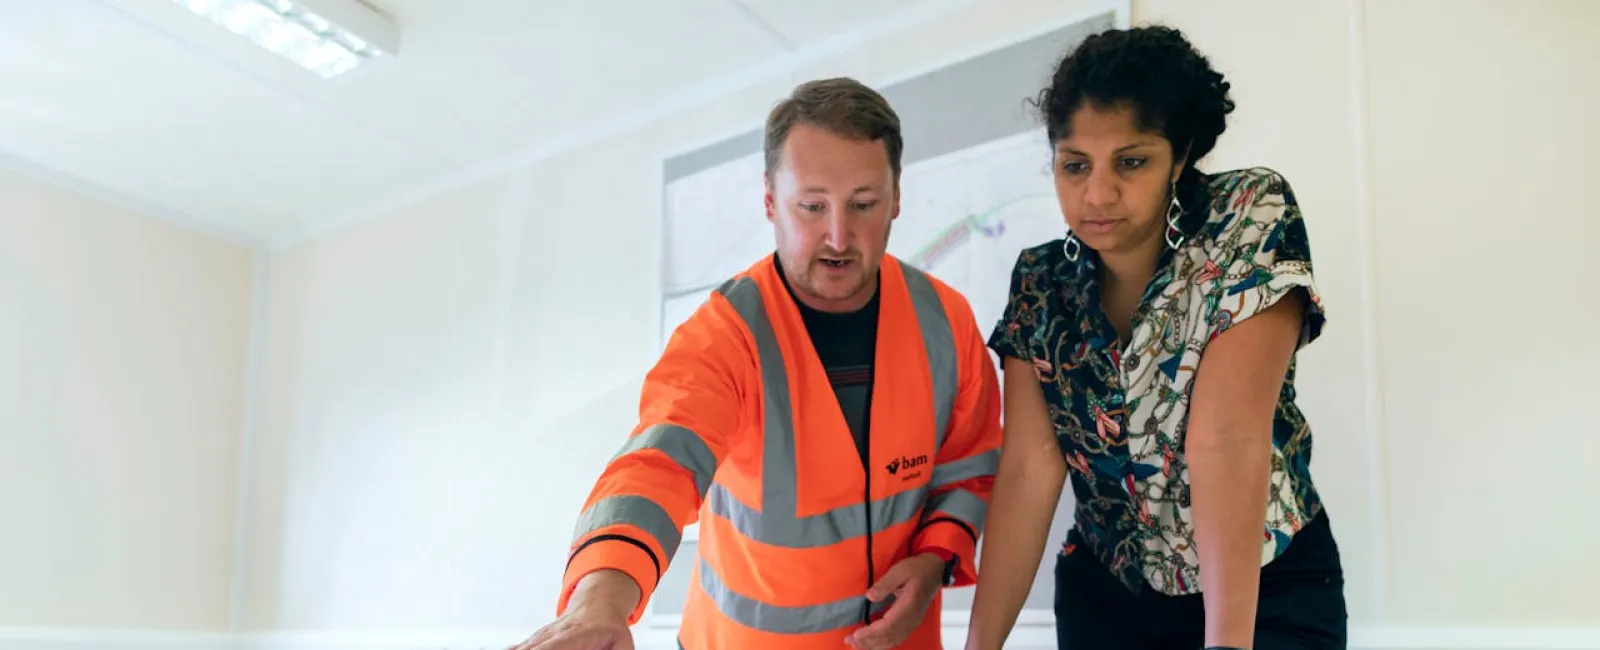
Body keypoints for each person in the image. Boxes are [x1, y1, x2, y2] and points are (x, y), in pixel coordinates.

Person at [511, 77, 1004, 650]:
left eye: (864, 204)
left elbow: (969, 466)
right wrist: (599, 602)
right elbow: (657, 466)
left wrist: (935, 559)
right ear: (770, 201)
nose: (838, 236)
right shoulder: (724, 335)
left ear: (897, 198)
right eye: (812, 206)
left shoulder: (946, 321)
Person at [962, 25, 1348, 650]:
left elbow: (1225, 440)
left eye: (1131, 162)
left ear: (1180, 154)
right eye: (1074, 165)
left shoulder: (1247, 215)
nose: (1097, 194)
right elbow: (1031, 469)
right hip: (1108, 594)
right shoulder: (1041, 281)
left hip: (1264, 583)